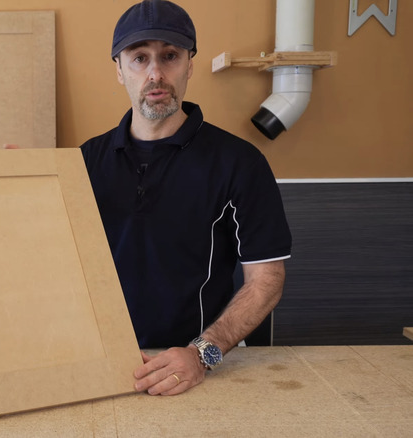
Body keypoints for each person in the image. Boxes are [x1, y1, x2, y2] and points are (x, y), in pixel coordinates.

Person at [80, 0, 292, 396]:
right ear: (119, 69)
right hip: (102, 361)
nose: (155, 73)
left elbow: (267, 280)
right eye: (139, 58)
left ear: (190, 65)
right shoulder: (84, 161)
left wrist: (202, 354)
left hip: (201, 363)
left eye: (170, 56)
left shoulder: (240, 163)